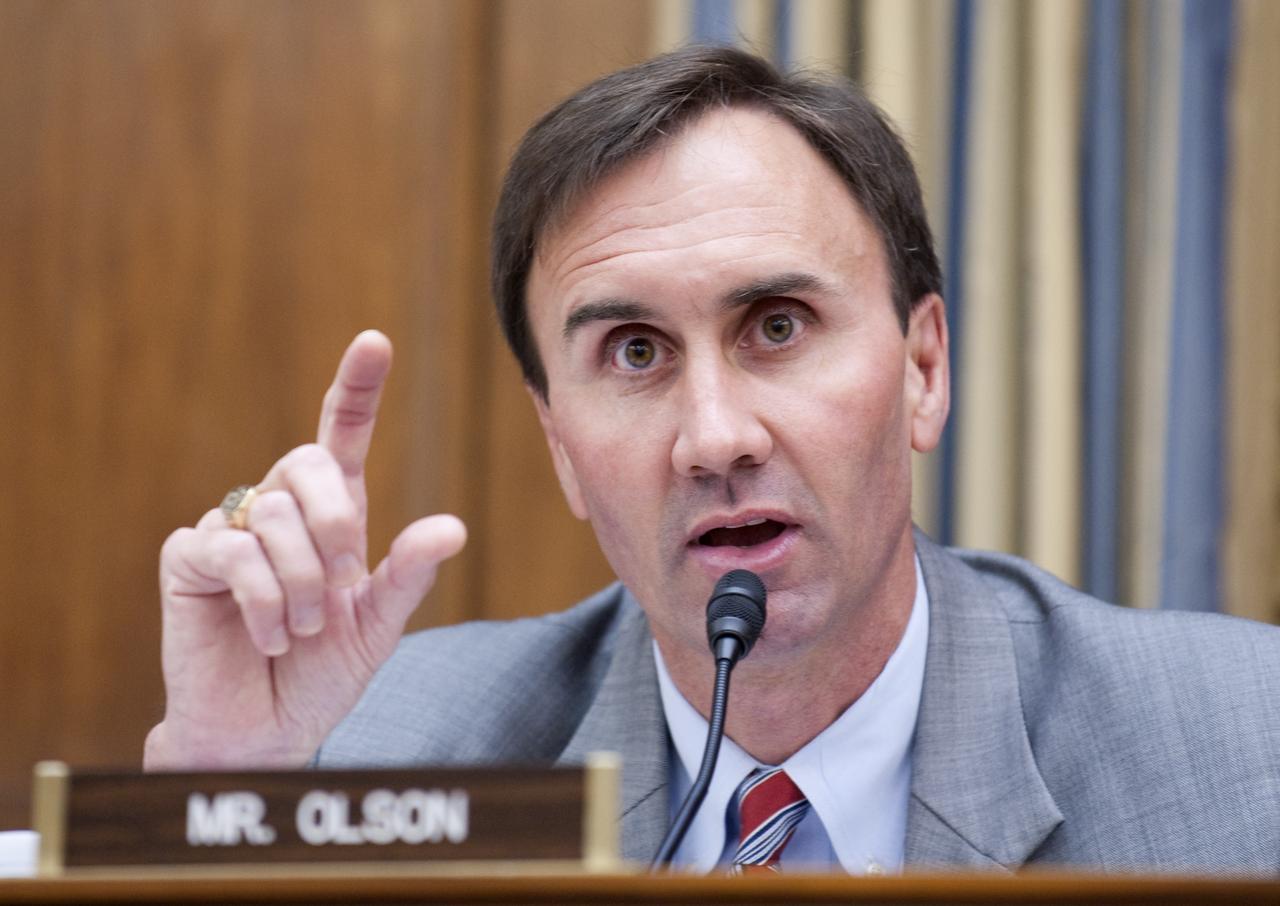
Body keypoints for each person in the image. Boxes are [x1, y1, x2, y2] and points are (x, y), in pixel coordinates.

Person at [145, 46, 1280, 873]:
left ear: (922, 369)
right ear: (561, 448)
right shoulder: (380, 760)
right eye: (633, 352)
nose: (714, 437)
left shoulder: (1242, 756)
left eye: (776, 327)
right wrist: (221, 803)